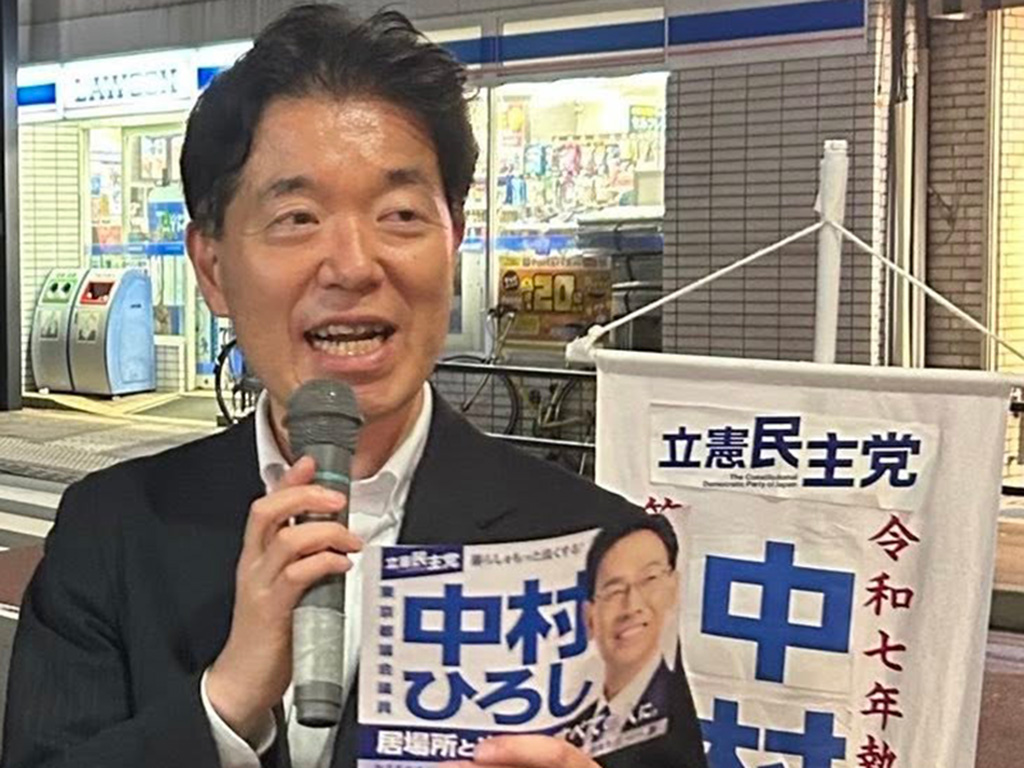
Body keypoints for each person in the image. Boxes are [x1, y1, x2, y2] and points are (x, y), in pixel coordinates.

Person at [1, 6, 706, 768]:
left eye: (399, 214)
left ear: (453, 241)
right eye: (297, 217)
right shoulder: (111, 532)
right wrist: (225, 706)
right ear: (212, 268)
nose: (354, 265)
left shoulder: (597, 547)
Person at [563, 516, 687, 756]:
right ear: (589, 616)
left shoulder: (679, 711)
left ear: (674, 587)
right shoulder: (569, 714)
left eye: (650, 579)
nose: (632, 606)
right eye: (614, 590)